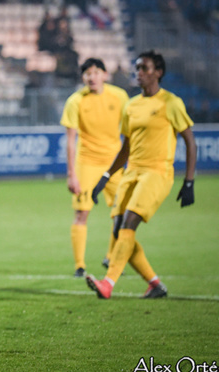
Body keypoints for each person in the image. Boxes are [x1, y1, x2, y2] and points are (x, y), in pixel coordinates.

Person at [86, 50, 197, 299]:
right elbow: (125, 147)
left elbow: (190, 141)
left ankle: (108, 283)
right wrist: (106, 176)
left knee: (128, 224)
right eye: (137, 68)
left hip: (156, 173)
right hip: (131, 172)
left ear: (158, 72)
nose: (139, 73)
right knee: (118, 230)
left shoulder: (171, 103)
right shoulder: (132, 105)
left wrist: (189, 181)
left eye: (145, 68)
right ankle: (155, 284)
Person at [60, 58, 129, 278]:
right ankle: (79, 266)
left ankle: (111, 257)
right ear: (83, 77)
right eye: (88, 73)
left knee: (123, 213)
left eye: (97, 72)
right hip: (87, 163)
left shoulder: (119, 97)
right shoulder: (75, 101)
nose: (92, 77)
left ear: (105, 75)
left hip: (114, 164)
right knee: (82, 213)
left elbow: (130, 132)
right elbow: (71, 140)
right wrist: (71, 174)